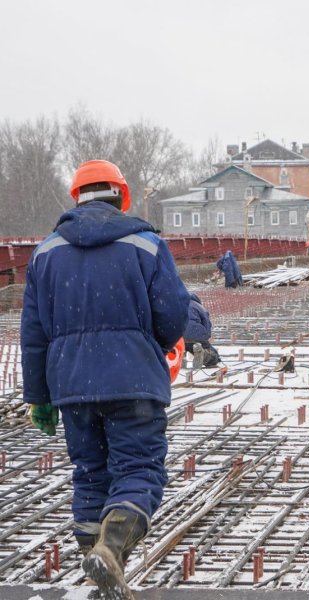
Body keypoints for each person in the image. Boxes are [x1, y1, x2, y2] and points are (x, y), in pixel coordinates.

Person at [21, 159, 190, 600]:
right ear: (122, 195)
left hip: (71, 385)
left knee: (90, 473)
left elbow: (34, 334)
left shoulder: (44, 253)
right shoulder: (146, 244)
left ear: (75, 197)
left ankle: (95, 555)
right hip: (133, 380)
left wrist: (39, 396)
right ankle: (111, 551)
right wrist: (138, 345)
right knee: (138, 468)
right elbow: (173, 316)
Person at [185, 293, 221, 368]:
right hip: (197, 335)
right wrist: (205, 338)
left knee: (180, 348)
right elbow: (207, 324)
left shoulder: (176, 305)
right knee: (214, 356)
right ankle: (203, 354)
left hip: (178, 337)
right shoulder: (199, 307)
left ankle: (180, 356)